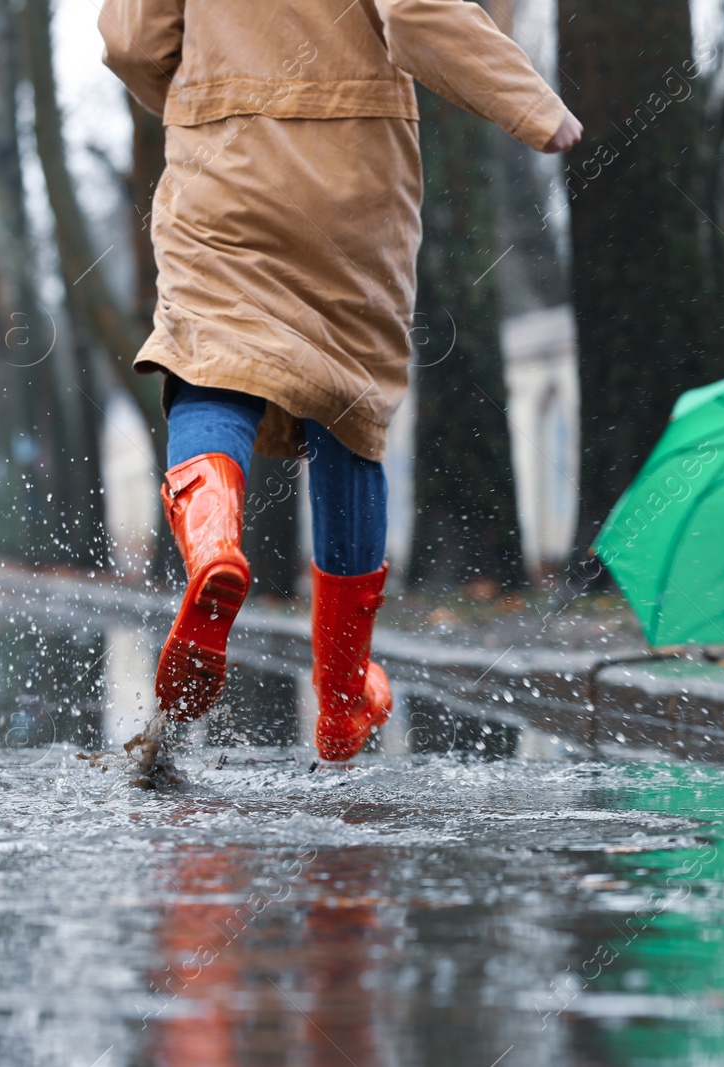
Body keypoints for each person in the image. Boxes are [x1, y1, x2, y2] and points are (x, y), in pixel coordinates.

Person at [99, 0, 582, 760]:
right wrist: (531, 105)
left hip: (220, 162)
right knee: (349, 405)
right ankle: (343, 696)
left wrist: (211, 101)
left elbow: (131, 39)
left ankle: (215, 548)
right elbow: (419, 15)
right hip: (352, 173)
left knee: (209, 361)